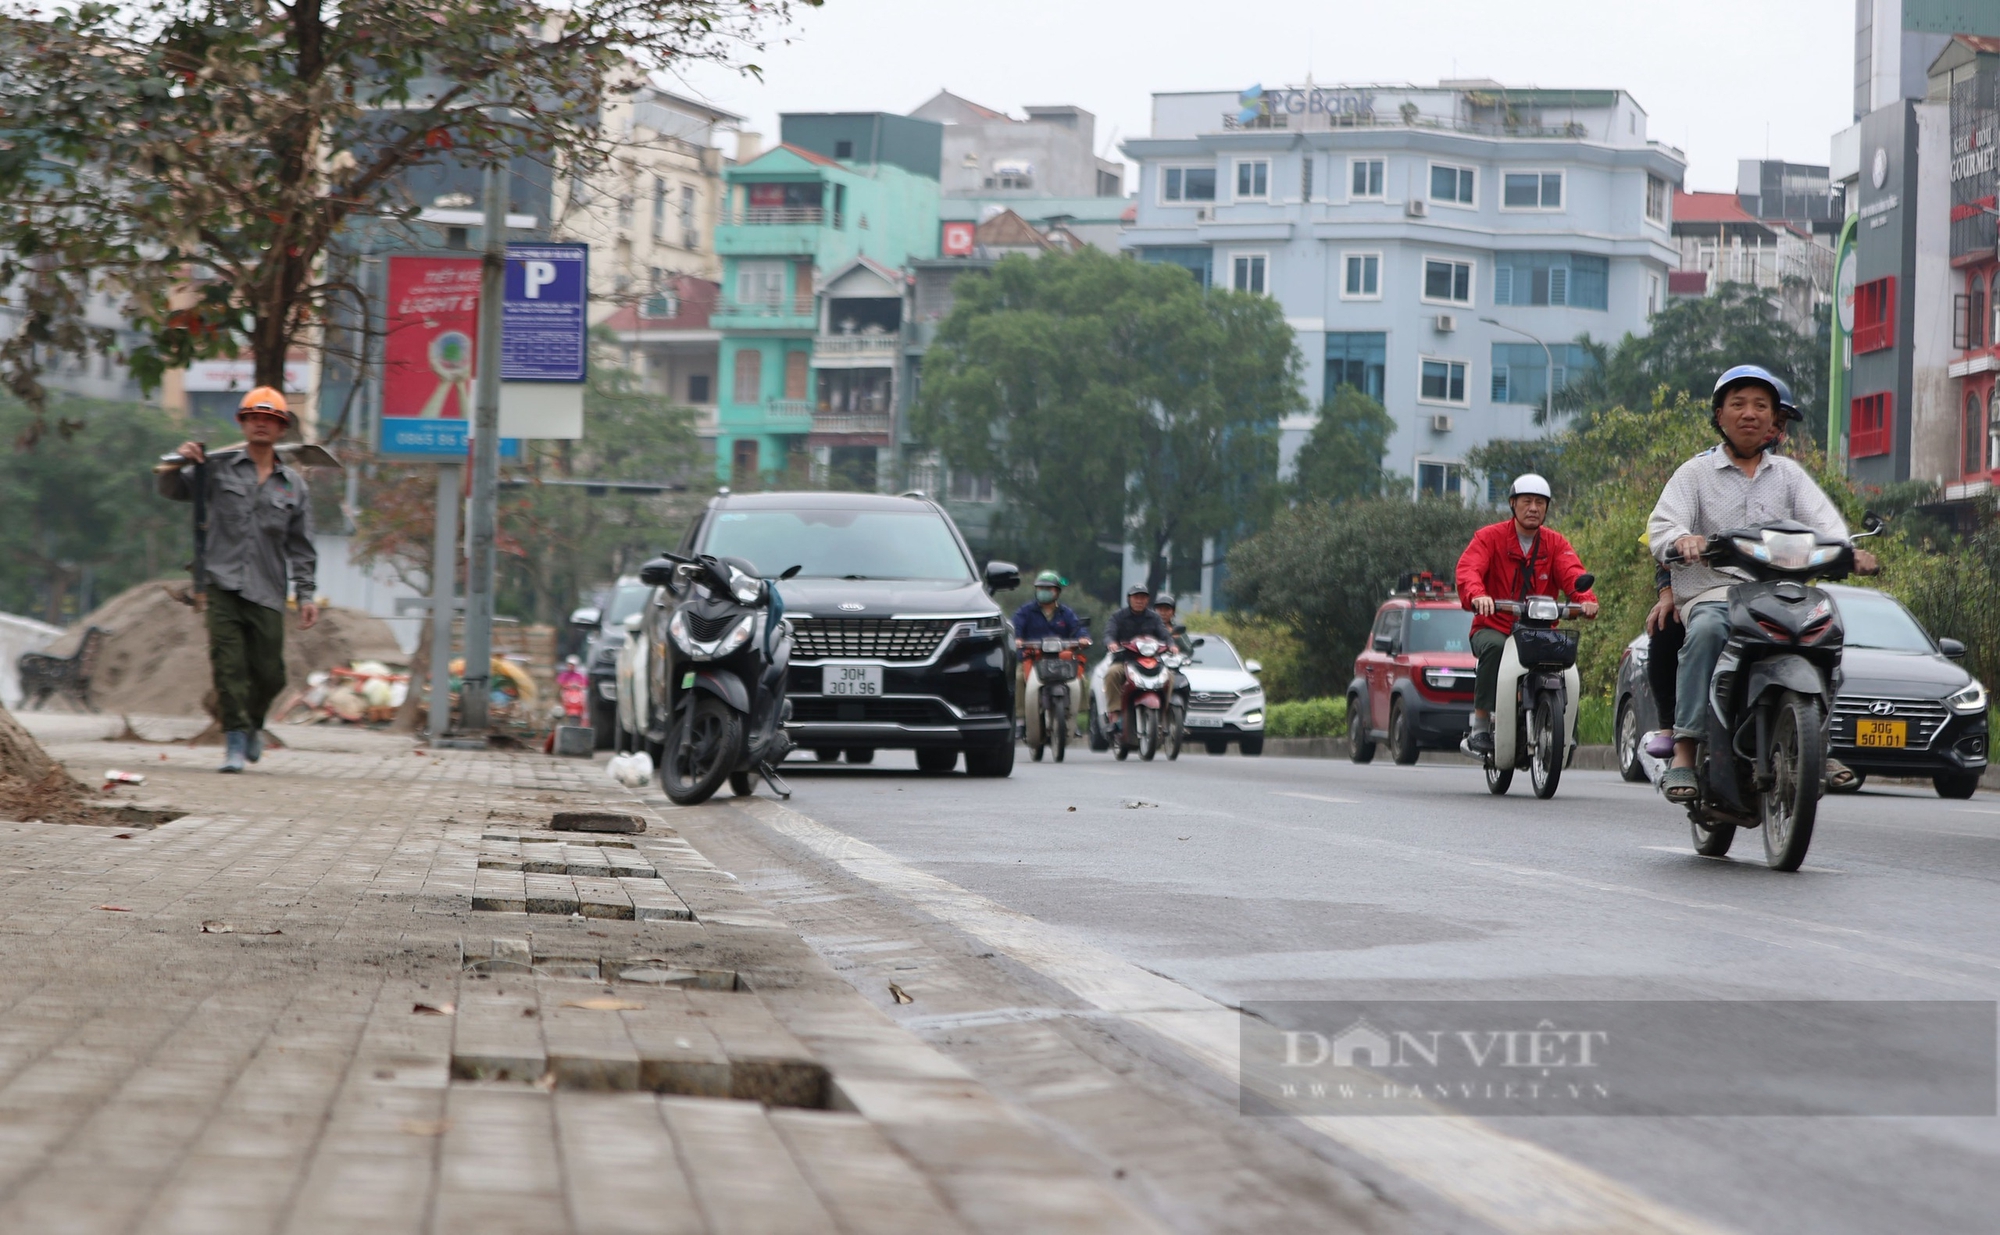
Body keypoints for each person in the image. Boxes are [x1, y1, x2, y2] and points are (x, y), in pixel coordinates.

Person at [1647, 364, 1875, 802]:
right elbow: (1663, 526)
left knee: (1826, 627)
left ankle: (1814, 742)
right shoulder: (1694, 474)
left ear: (1774, 420)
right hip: (1715, 592)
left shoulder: (1789, 476)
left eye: (1761, 406)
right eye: (1738, 404)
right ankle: (1684, 751)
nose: (1749, 413)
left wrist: (1851, 552)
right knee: (1708, 630)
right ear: (1719, 415)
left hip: (1781, 593)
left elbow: (1827, 525)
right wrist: (1683, 539)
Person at [160, 387, 319, 773]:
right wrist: (178, 464)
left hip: (267, 589)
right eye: (254, 417)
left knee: (270, 673)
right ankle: (233, 742)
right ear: (242, 423)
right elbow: (171, 489)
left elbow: (301, 545)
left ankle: (253, 725)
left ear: (282, 429)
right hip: (222, 583)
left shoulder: (293, 485)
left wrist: (307, 593)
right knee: (228, 665)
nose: (261, 424)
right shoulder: (216, 468)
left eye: (271, 419)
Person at [1454, 474, 1599, 757]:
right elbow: (1469, 569)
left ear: (1546, 508)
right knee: (1495, 648)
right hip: (1494, 625)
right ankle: (1481, 724)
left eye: (1540, 503)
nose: (1533, 508)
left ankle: (1565, 730)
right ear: (1512, 504)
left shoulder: (1555, 543)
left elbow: (1573, 573)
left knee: (1565, 660)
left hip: (1538, 630)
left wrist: (1586, 600)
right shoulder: (1488, 538)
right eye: (1527, 502)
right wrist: (1478, 595)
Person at [1013, 571, 1089, 731]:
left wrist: (1083, 638)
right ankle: (1021, 720)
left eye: (1048, 588)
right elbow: (1016, 627)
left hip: (1061, 659)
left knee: (1081, 679)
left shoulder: (1066, 613)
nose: (1044, 591)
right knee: (1019, 678)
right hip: (1033, 658)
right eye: (1040, 588)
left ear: (1057, 592)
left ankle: (1073, 716)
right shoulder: (1025, 611)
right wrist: (1017, 638)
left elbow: (1078, 629)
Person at [1102, 583, 1173, 734]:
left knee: (1170, 677)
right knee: (1112, 674)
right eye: (1136, 597)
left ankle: (1164, 716)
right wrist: (1111, 643)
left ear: (1148, 600)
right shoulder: (1118, 617)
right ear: (1129, 599)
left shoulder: (1154, 618)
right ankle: (1114, 716)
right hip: (1125, 660)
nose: (1139, 601)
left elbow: (1165, 634)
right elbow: (1109, 633)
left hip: (1151, 662)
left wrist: (1171, 645)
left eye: (1143, 597)